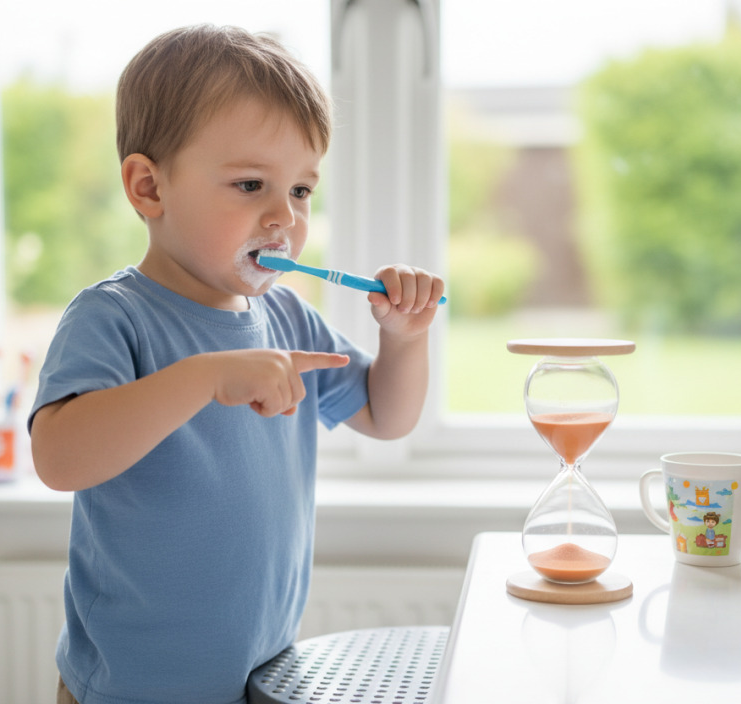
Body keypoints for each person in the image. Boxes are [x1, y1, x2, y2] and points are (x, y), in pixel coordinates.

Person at [29, 24, 445, 704]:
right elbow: (60, 458)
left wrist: (404, 338)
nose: (284, 216)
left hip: (258, 677)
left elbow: (386, 415)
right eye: (251, 184)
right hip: (132, 689)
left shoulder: (288, 319)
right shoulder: (113, 318)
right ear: (148, 188)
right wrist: (204, 376)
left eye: (302, 190)